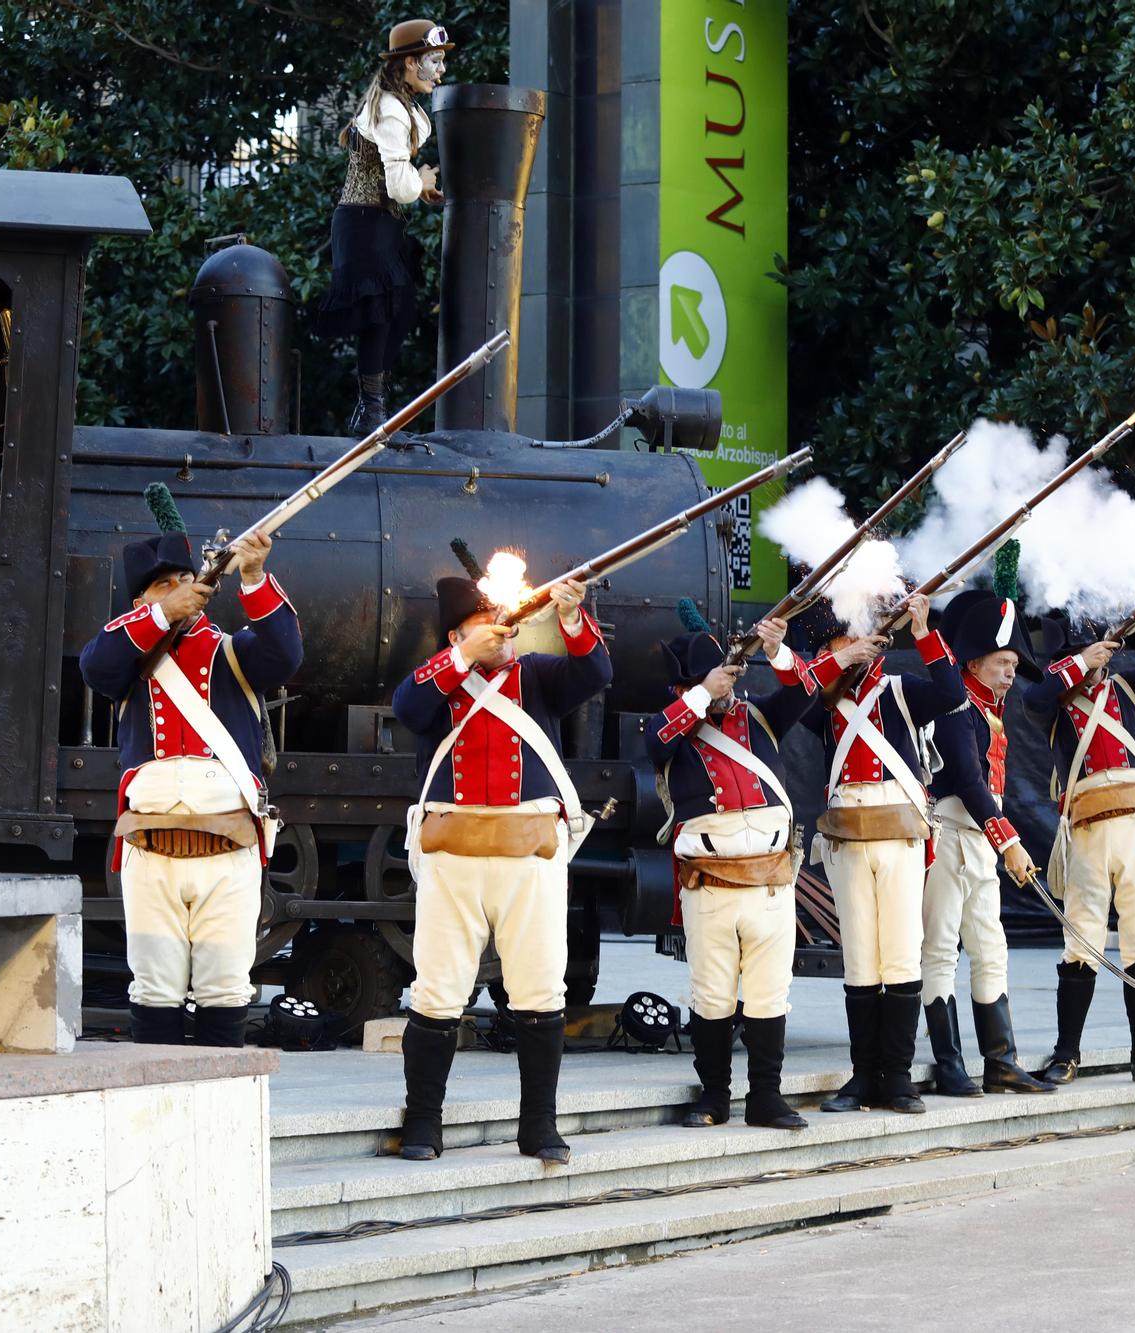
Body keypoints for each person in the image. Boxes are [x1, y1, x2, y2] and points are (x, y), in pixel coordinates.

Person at [388, 569, 610, 1164]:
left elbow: (596, 672)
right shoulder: (440, 680)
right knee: (437, 991)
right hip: (452, 855)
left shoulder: (536, 676)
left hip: (528, 854)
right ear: (456, 634)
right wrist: (462, 657)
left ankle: (539, 1126)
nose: (502, 635)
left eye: (505, 626)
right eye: (486, 626)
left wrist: (569, 618)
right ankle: (423, 1124)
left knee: (539, 988)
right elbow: (407, 706)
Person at [79, 508, 302, 1048]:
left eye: (184, 579)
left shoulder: (231, 651)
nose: (180, 589)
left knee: (225, 987)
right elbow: (95, 664)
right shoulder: (129, 653)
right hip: (151, 850)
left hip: (227, 850)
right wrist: (160, 617)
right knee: (153, 988)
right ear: (141, 602)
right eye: (163, 585)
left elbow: (284, 653)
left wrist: (252, 575)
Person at [788, 592, 967, 1115]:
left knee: (901, 955)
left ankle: (898, 1078)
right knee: (861, 959)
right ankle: (865, 1076)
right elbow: (793, 689)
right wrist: (836, 662)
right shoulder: (823, 699)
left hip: (900, 836)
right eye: (836, 643)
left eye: (847, 639)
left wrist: (922, 629)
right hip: (846, 838)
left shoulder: (898, 689)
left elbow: (952, 692)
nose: (845, 648)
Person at [644, 606, 815, 1130]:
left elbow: (804, 690)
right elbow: (656, 743)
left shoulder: (759, 715)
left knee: (769, 993)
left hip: (769, 881)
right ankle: (715, 1096)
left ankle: (766, 1095)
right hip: (710, 884)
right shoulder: (675, 722)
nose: (727, 687)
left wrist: (776, 651)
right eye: (715, 677)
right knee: (712, 994)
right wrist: (702, 694)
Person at [1023, 583, 1135, 1087]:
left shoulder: (1128, 689)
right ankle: (1066, 1054)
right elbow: (1036, 695)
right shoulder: (1053, 701)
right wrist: (1081, 663)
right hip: (1089, 828)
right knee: (1081, 940)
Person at [918, 587, 1053, 1097]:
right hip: (951, 834)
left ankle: (1000, 1061)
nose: (1010, 672)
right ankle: (950, 1064)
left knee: (990, 949)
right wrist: (1010, 841)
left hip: (980, 841)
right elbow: (970, 783)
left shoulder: (990, 710)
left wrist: (998, 841)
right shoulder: (956, 705)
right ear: (973, 662)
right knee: (940, 952)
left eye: (1014, 663)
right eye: (1002, 661)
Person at [311, 19, 453, 435]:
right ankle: (371, 412)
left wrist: (417, 188)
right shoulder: (391, 111)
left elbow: (396, 179)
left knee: (396, 310)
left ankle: (371, 410)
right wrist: (420, 183)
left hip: (377, 222)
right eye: (434, 61)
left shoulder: (400, 106)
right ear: (410, 63)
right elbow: (397, 181)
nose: (440, 70)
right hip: (364, 223)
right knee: (379, 314)